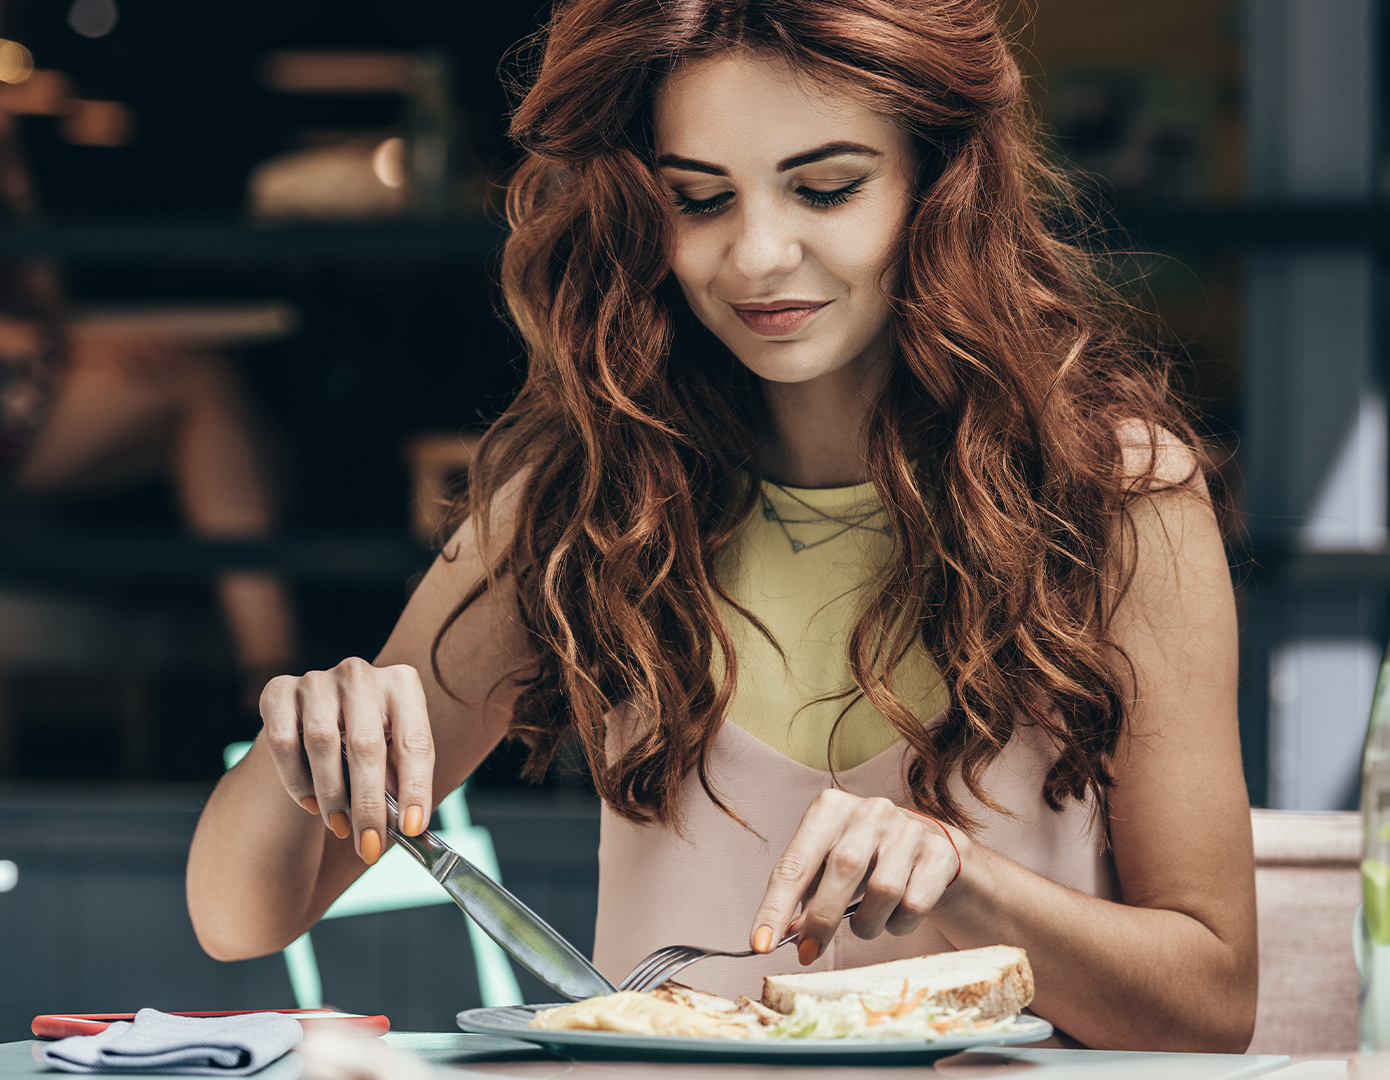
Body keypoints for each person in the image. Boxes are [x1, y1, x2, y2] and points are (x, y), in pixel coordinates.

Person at [187, 0, 1255, 1052]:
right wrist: (307, 738)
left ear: (938, 183)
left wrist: (967, 882)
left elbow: (1213, 1006)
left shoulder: (1111, 494)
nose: (757, 255)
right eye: (698, 200)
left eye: (826, 188)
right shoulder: (585, 497)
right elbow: (237, 921)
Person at [0, 65, 298, 689]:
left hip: (6, 386)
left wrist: (6, 157)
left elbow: (44, 297)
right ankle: (273, 677)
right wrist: (71, 347)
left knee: (229, 408)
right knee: (204, 387)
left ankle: (270, 673)